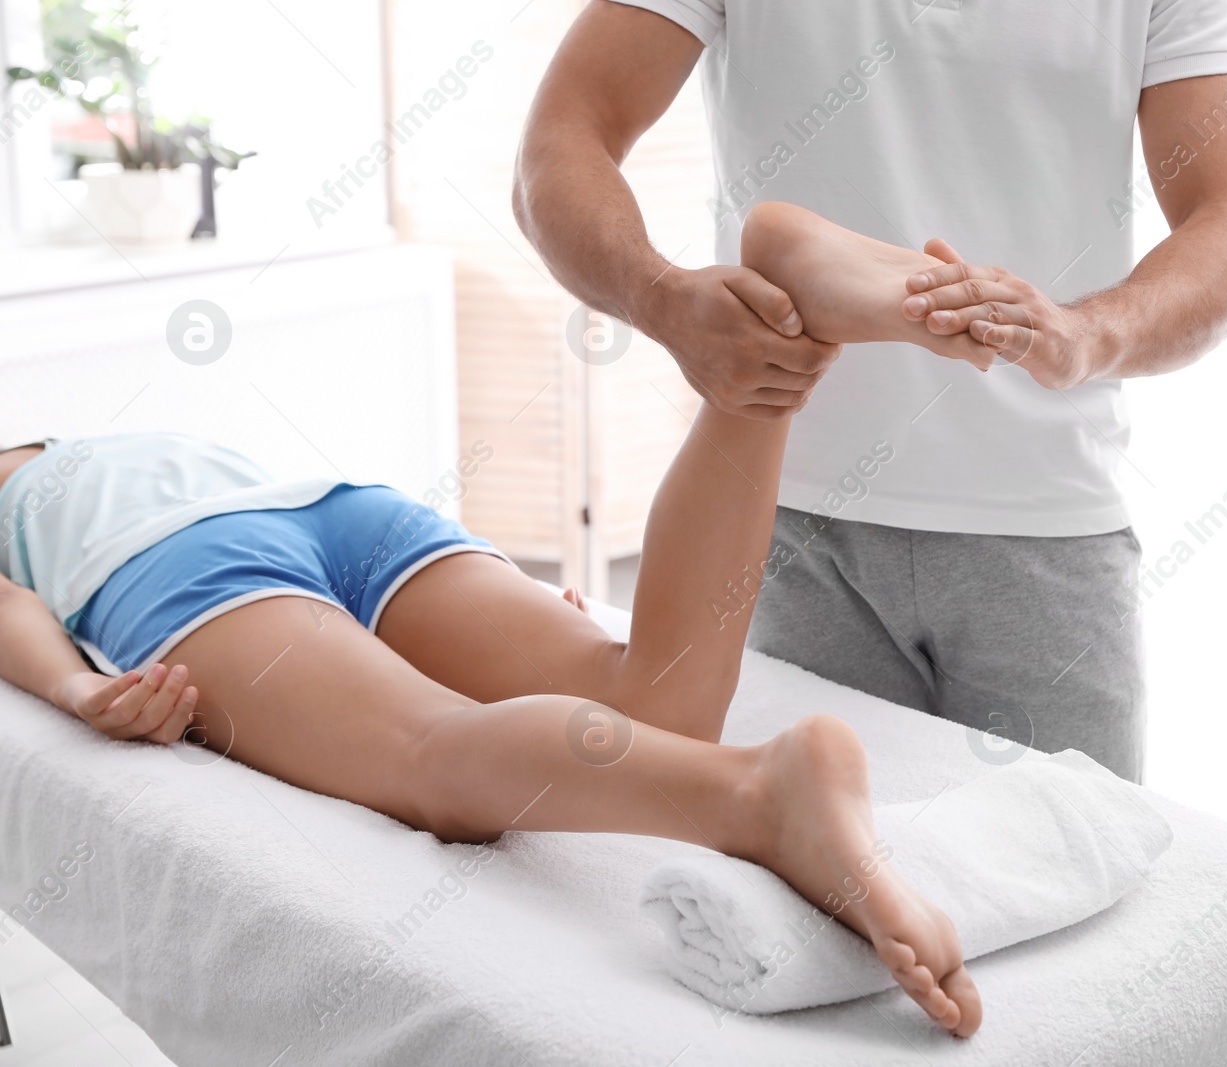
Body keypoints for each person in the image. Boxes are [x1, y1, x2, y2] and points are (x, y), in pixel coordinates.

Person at [0, 206, 998, 1037]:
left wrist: (74, 684)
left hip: (177, 561)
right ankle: (774, 353)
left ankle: (757, 795)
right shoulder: (90, 439)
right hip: (340, 505)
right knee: (649, 699)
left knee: (429, 754)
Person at [513, 0, 1227, 783]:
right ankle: (809, 275)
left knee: (1075, 874)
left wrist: (1088, 335)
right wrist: (660, 298)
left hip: (1045, 526)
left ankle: (813, 275)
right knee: (804, 872)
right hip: (783, 525)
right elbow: (561, 138)